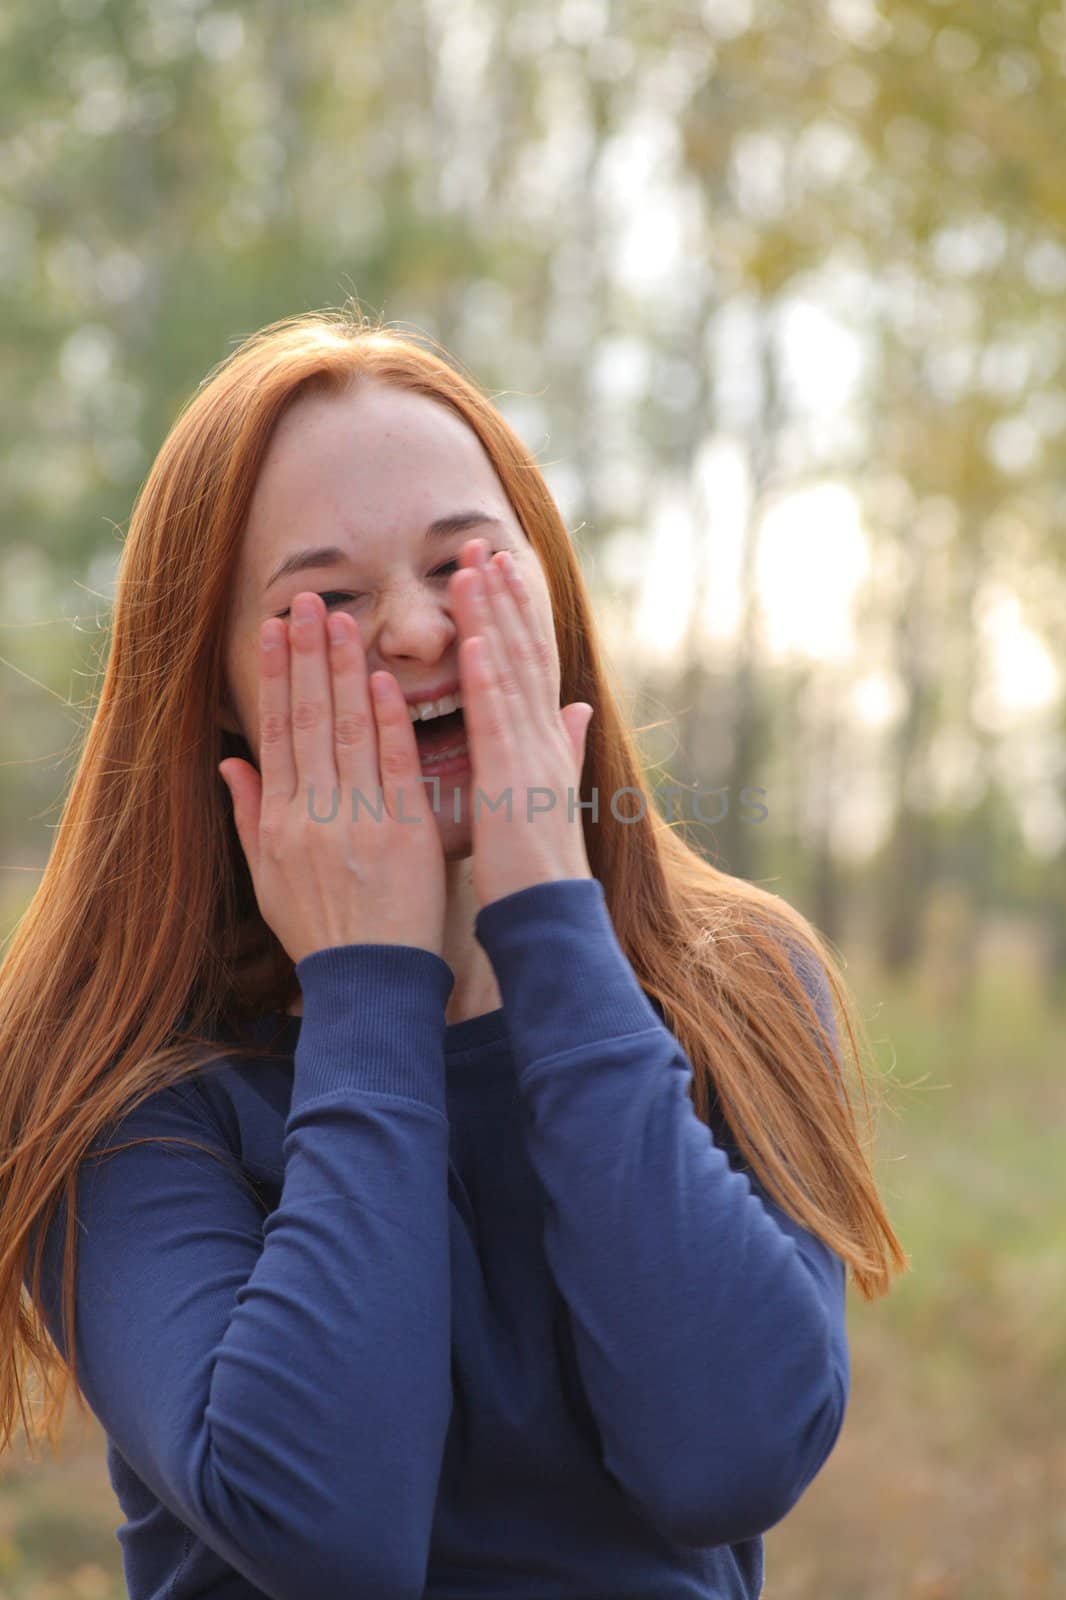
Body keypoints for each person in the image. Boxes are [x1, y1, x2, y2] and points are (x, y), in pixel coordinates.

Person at [1, 308, 908, 1600]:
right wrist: (367, 986)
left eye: (462, 566)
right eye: (329, 602)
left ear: (547, 594)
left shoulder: (742, 983)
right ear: (212, 686)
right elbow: (327, 1533)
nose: (417, 631)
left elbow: (728, 1456)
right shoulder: (119, 1076)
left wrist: (545, 901)